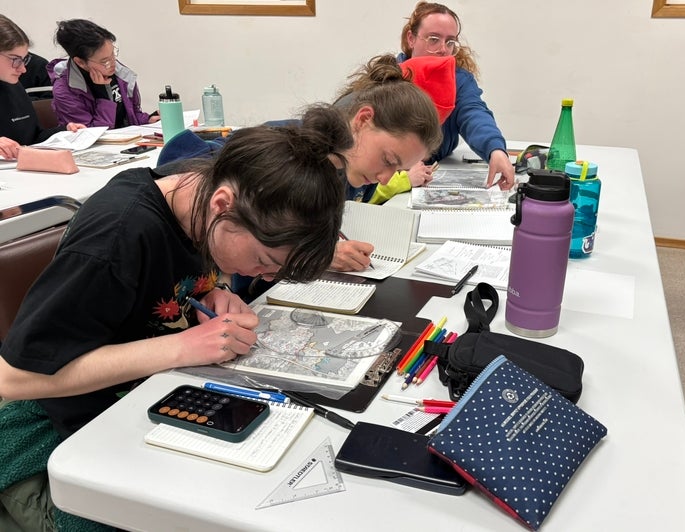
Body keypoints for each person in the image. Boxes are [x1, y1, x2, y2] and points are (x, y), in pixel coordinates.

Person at [0, 105, 352, 531]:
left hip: (136, 401)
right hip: (48, 437)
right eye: (264, 261)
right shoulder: (118, 236)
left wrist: (213, 293)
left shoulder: (199, 199)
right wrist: (180, 347)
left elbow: (166, 282)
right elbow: (14, 378)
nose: (264, 276)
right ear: (224, 204)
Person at [158, 54, 442, 279]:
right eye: (388, 160)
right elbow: (178, 166)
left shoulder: (353, 175)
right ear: (363, 119)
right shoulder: (289, 156)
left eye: (398, 170)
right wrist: (309, 254)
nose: (385, 179)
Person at [384, 1, 515, 197]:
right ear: (411, 39)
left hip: (431, 174)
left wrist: (495, 149)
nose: (443, 49)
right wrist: (402, 175)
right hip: (390, 180)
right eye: (433, 39)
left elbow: (474, 113)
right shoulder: (388, 78)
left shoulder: (459, 79)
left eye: (450, 42)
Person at [47, 19, 159, 128]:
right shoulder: (65, 90)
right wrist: (103, 95)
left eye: (113, 54)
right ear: (80, 62)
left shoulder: (119, 74)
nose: (113, 63)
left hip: (127, 142)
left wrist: (148, 120)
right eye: (105, 61)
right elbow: (92, 135)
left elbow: (131, 116)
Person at [0, 15, 83, 160]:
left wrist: (64, 132)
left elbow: (33, 137)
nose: (23, 69)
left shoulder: (14, 87)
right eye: (15, 59)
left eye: (24, 59)